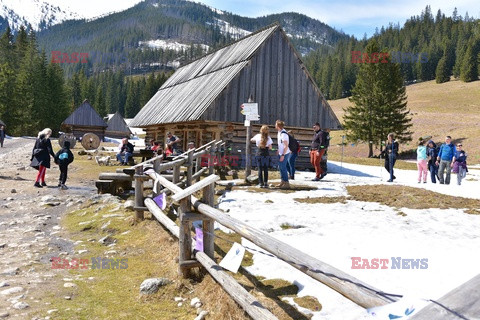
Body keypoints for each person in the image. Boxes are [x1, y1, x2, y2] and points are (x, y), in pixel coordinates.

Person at [275, 120, 291, 189]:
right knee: (280, 167)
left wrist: (283, 155)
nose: (275, 126)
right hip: (281, 152)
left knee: (283, 167)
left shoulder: (284, 134)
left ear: (278, 126)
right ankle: (282, 181)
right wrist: (279, 150)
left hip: (285, 153)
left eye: (276, 124)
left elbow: (286, 145)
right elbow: (280, 144)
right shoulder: (279, 132)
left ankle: (286, 182)